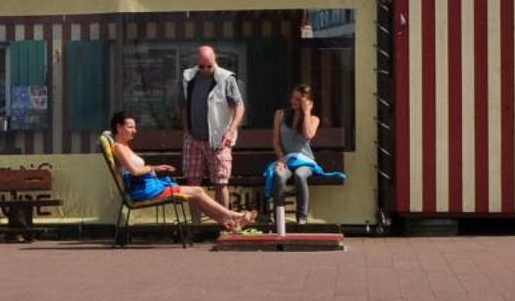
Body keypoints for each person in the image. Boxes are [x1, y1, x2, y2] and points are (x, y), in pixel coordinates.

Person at [109, 111, 254, 233]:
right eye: (130, 127)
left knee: (196, 194)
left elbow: (136, 170)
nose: (134, 131)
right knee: (197, 191)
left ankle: (229, 221)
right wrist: (154, 168)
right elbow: (134, 171)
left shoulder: (124, 146)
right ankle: (234, 216)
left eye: (134, 127)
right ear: (119, 127)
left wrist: (154, 168)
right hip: (144, 190)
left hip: (148, 186)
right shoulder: (119, 148)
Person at [265, 84, 343, 225]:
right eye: (293, 98)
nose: (293, 102)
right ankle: (279, 217)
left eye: (299, 100)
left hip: (305, 161)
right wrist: (281, 158)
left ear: (307, 102)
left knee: (300, 175)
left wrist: (307, 112)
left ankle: (302, 217)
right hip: (286, 160)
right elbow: (276, 142)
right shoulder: (280, 115)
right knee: (279, 175)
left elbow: (308, 135)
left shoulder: (314, 119)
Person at [181, 45, 244, 213]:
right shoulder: (189, 77)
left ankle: (223, 224)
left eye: (209, 66)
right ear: (197, 63)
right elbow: (183, 105)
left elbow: (239, 106)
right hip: (194, 138)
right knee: (193, 183)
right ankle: (196, 226)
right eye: (201, 66)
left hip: (218, 138)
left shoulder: (225, 78)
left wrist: (231, 131)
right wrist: (187, 129)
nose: (205, 70)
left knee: (221, 182)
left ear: (215, 61)